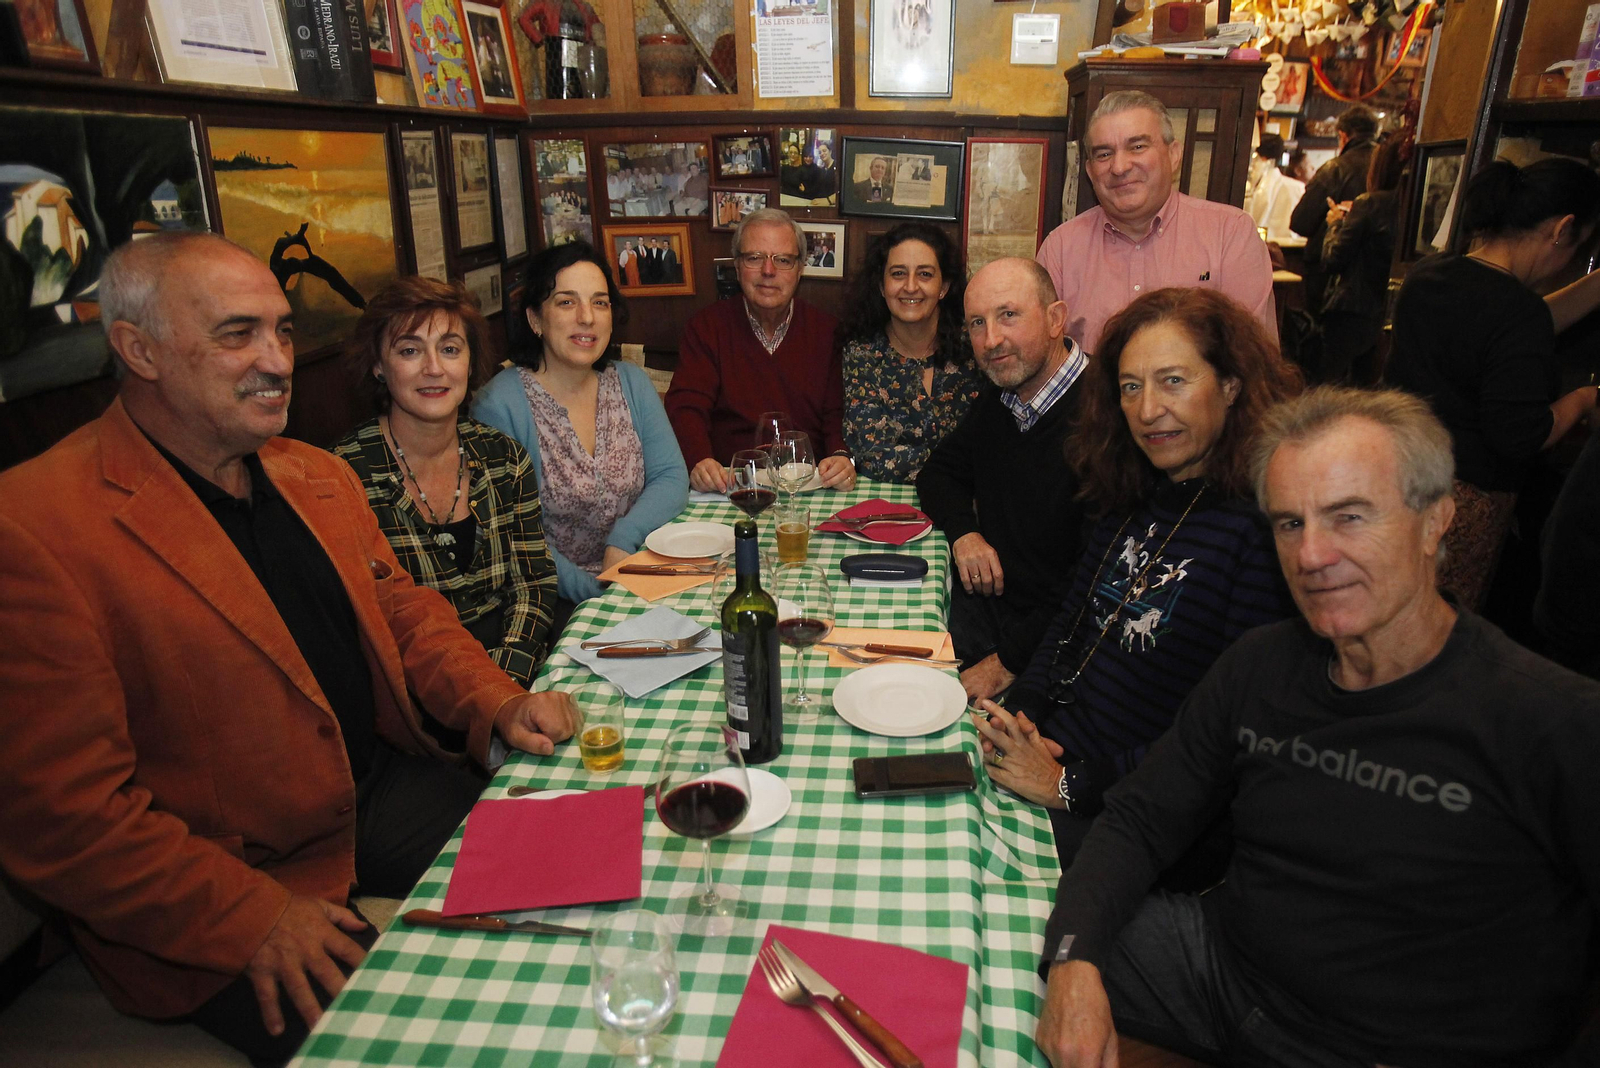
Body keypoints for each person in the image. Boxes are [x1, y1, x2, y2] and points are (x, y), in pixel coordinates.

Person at [0, 233, 577, 1065]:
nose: (276, 361)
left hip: (370, 794)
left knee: (577, 874)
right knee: (438, 1037)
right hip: (233, 880)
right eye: (238, 335)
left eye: (282, 330)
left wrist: (498, 700)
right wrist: (255, 919)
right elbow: (64, 818)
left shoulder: (312, 474)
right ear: (138, 349)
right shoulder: (34, 526)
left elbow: (405, 615)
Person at [1033, 387, 1600, 1068]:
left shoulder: (1553, 720)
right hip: (1219, 974)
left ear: (1435, 519)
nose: (1310, 555)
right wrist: (1073, 960)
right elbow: (1139, 820)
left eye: (1348, 516)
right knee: (1015, 930)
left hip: (1399, 1048)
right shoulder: (1260, 665)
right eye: (1289, 523)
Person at [971, 288, 1299, 874]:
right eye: (1130, 387)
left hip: (1138, 819)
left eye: (1173, 381)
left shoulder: (1263, 535)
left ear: (1231, 385)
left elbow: (1228, 740)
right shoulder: (1135, 493)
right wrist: (1021, 715)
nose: (1148, 410)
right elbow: (1069, 623)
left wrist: (1069, 785)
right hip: (1053, 758)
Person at [1386, 156, 1600, 609]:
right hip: (1463, 504)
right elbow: (1521, 435)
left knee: (1386, 607)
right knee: (1436, 625)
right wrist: (1584, 399)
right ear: (1563, 228)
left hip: (1397, 476)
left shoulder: (1429, 275)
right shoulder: (1518, 312)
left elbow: (1505, 324)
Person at [331, 276, 558, 691]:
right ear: (379, 365)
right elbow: (367, 629)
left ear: (469, 363)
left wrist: (505, 678)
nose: (433, 368)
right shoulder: (344, 477)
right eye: (410, 350)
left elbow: (533, 583)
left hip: (516, 671)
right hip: (418, 690)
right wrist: (478, 694)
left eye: (450, 349)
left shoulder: (505, 458)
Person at [474, 241, 689, 604]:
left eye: (600, 302)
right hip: (550, 599)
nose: (587, 317)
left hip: (638, 573)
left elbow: (671, 477)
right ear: (535, 319)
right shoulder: (499, 406)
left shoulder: (631, 382)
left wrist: (623, 540)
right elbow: (514, 537)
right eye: (566, 302)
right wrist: (599, 593)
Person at [918, 258, 1088, 702]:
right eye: (977, 323)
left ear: (1055, 319)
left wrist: (1007, 662)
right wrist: (965, 533)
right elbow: (939, 471)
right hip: (993, 614)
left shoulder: (1106, 418)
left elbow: (1092, 582)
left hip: (1057, 643)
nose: (991, 340)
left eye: (1008, 315)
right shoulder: (1003, 399)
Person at [1036, 90, 1277, 355]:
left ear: (1174, 155)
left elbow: (1255, 361)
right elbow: (1042, 360)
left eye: (1137, 147)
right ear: (1090, 171)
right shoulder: (1060, 249)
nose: (1119, 167)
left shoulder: (1230, 234)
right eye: (1104, 154)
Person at [666, 208, 854, 493]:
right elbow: (686, 407)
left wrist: (840, 455)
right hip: (730, 486)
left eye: (783, 260)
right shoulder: (706, 328)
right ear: (737, 266)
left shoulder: (828, 331)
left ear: (800, 269)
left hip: (807, 486)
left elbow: (837, 414)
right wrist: (699, 459)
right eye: (754, 258)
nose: (768, 271)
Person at [836, 222, 985, 482]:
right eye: (898, 274)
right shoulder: (862, 354)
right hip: (887, 499)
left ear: (944, 286)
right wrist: (961, 464)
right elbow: (873, 455)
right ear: (882, 286)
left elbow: (993, 441)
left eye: (925, 274)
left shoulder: (976, 346)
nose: (911, 286)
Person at [1317, 133, 1407, 385]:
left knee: (1331, 384)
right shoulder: (1413, 205)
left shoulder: (1369, 203)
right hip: (1390, 311)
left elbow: (1332, 259)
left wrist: (1335, 224)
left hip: (1353, 309)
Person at [1290, 103, 1379, 317]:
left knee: (1318, 331)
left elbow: (1301, 222)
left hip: (1329, 274)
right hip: (1375, 276)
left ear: (1343, 135)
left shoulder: (1335, 169)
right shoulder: (1386, 167)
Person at [1243, 134, 1305, 247]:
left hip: (1261, 246)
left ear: (1262, 158)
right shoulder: (1299, 187)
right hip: (1292, 246)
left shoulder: (1258, 189)